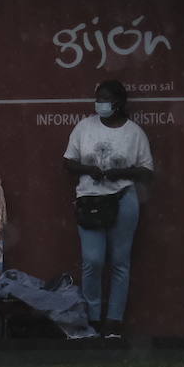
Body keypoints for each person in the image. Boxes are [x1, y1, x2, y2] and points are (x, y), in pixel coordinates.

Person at [62, 79, 154, 339]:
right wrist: (90, 169)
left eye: (105, 99)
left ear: (119, 103)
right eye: (97, 99)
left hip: (123, 198)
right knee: (92, 261)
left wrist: (121, 172)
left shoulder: (134, 133)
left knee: (120, 262)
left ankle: (114, 321)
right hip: (90, 200)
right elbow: (68, 162)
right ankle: (92, 317)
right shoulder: (84, 127)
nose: (100, 104)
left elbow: (147, 170)